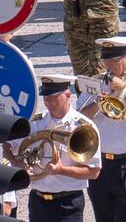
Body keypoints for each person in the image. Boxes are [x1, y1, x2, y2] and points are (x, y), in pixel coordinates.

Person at [80, 37, 126, 222]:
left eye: (114, 61)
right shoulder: (96, 83)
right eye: (106, 60)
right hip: (101, 159)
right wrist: (98, 102)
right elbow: (79, 118)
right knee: (103, 215)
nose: (108, 65)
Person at [19, 76, 102, 222]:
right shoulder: (36, 124)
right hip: (38, 201)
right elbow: (8, 147)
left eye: (53, 97)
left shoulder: (84, 127)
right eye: (46, 98)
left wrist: (61, 170)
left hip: (68, 204)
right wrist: (22, 166)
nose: (48, 102)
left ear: (68, 94)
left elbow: (94, 171)